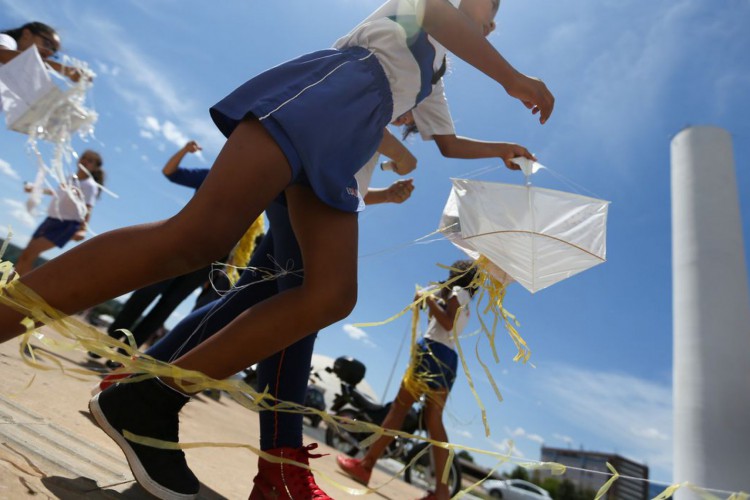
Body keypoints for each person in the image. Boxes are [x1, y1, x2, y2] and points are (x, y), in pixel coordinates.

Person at [0, 0, 553, 498]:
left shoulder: (434, 75)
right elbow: (436, 11)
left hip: (354, 138)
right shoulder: (418, 14)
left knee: (329, 295)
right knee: (199, 238)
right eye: (491, 9)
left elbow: (449, 144)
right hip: (335, 90)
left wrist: (503, 146)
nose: (495, 21)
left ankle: (148, 400)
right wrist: (513, 78)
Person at [94, 129, 417, 499]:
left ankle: (134, 382)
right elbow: (367, 118)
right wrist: (407, 156)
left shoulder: (395, 107)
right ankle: (279, 469)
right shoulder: (399, 90)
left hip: (317, 182)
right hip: (308, 173)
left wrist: (387, 194)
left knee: (243, 301)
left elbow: (352, 183)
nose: (414, 120)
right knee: (305, 304)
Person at [337, 260, 478, 500]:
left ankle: (367, 465)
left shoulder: (457, 292)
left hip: (432, 354)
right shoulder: (465, 300)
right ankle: (442, 492)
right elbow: (447, 323)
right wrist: (432, 303)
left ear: (457, 274)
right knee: (434, 422)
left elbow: (445, 322)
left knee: (398, 410)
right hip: (448, 359)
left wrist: (428, 299)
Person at [91, 141, 229, 369]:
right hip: (182, 243)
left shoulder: (254, 190)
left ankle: (127, 356)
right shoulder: (210, 177)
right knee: (146, 292)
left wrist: (222, 268)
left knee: (167, 306)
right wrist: (185, 150)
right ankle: (109, 342)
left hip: (210, 258)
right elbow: (170, 172)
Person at [14, 150, 104, 275]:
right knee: (25, 254)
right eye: (84, 157)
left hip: (67, 225)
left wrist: (83, 229)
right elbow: (56, 192)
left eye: (90, 160)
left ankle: (18, 291)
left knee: (30, 253)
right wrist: (35, 189)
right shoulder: (70, 177)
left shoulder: (90, 186)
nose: (85, 161)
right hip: (50, 219)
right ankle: (9, 287)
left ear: (95, 167)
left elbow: (88, 207)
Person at [0, 22, 83, 82]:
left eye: (53, 51)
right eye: (47, 43)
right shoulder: (6, 40)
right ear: (27, 34)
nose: (50, 52)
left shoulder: (22, 75)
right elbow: (2, 54)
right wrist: (63, 69)